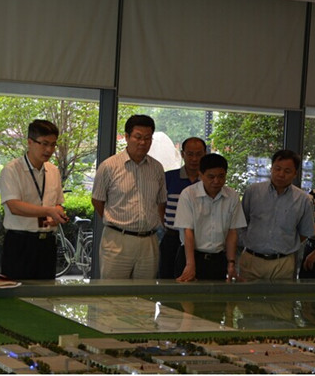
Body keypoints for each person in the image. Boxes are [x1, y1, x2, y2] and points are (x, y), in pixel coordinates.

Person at [92, 114, 167, 279]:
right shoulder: (109, 166)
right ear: (126, 137)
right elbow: (97, 200)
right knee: (113, 291)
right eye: (138, 137)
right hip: (117, 240)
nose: (143, 142)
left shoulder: (157, 168)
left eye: (147, 138)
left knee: (145, 291)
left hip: (149, 241)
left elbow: (161, 201)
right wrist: (115, 221)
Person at [0, 119, 67, 280]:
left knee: (46, 291)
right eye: (44, 144)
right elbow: (14, 206)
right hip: (20, 243)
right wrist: (49, 211)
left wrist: (57, 214)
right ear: (30, 142)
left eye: (53, 144)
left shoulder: (53, 170)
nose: (49, 150)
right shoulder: (12, 170)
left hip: (47, 243)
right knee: (16, 291)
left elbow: (57, 203)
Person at [240, 149, 315, 281]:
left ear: (295, 174)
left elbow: (304, 233)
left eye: (287, 171)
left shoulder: (304, 200)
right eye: (277, 169)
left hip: (283, 263)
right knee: (247, 295)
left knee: (282, 295)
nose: (281, 174)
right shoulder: (253, 192)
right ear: (271, 168)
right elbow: (242, 222)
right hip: (251, 260)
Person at [173, 153, 246, 281]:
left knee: (218, 294)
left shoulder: (232, 196)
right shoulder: (188, 194)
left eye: (221, 176)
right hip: (191, 256)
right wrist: (190, 265)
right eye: (211, 177)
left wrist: (231, 263)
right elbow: (187, 231)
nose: (216, 181)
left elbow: (232, 232)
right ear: (200, 175)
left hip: (218, 259)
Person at [159, 137, 206, 278]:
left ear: (205, 154)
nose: (194, 159)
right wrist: (166, 225)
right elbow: (161, 206)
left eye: (199, 154)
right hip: (172, 238)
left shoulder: (208, 180)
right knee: (167, 279)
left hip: (200, 242)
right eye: (190, 154)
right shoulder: (168, 177)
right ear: (182, 154)